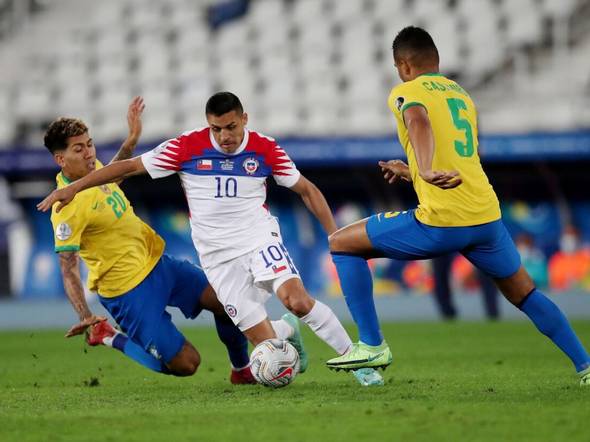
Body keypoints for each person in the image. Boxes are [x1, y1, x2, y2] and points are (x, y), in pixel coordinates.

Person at [38, 92, 383, 386]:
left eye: (231, 127)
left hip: (229, 245)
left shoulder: (264, 148)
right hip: (180, 271)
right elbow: (72, 255)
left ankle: (349, 363)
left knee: (294, 299)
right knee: (213, 355)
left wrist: (333, 235)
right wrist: (71, 191)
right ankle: (283, 335)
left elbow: (306, 189)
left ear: (244, 120)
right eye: (216, 129)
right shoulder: (187, 147)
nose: (224, 136)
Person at [325, 26, 590, 386]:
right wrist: (414, 171)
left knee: (341, 243)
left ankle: (371, 344)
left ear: (403, 65)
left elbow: (417, 121)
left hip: (442, 222)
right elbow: (464, 157)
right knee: (525, 293)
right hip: (486, 218)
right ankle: (586, 366)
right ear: (437, 61)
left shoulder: (407, 91)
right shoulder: (461, 94)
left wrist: (427, 167)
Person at [42, 97, 256, 383]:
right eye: (79, 149)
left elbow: (114, 175)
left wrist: (131, 140)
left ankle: (241, 371)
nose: (89, 153)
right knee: (187, 364)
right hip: (127, 291)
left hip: (158, 264)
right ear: (60, 159)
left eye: (89, 144)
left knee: (227, 302)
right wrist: (84, 314)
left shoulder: (93, 172)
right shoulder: (65, 209)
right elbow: (67, 266)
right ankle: (109, 337)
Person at [432, 254, 499, 320]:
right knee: (439, 277)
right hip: (442, 245)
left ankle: (493, 314)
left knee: (486, 274)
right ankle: (448, 315)